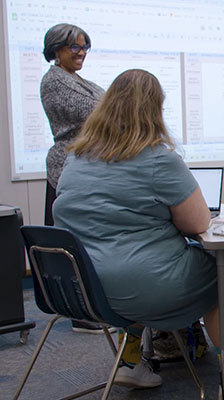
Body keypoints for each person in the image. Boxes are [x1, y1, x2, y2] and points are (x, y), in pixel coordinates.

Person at [53, 69, 224, 395]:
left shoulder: (75, 158)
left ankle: (130, 361)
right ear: (154, 110)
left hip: (81, 286)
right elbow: (199, 224)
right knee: (217, 275)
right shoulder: (159, 160)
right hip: (140, 286)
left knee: (134, 262)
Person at [40, 23, 106, 334]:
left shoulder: (78, 79)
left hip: (87, 167)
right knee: (75, 244)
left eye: (84, 47)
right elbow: (96, 111)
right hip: (67, 169)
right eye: (74, 48)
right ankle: (82, 313)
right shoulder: (55, 81)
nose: (81, 53)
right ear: (56, 50)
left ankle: (93, 307)